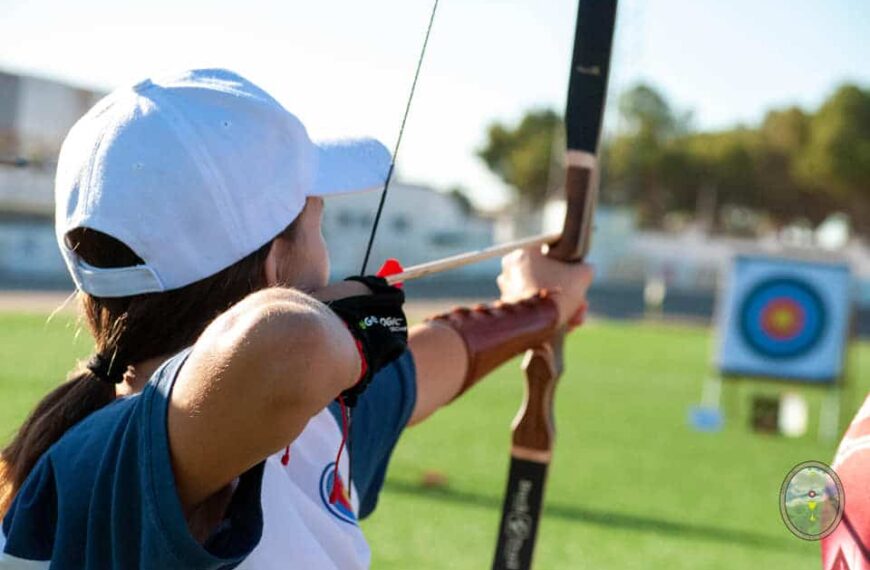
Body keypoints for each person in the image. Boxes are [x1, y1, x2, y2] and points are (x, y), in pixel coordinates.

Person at [0, 68, 592, 569]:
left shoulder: (307, 422)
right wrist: (347, 328)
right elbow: (290, 346)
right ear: (276, 261)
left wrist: (538, 306)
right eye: (316, 224)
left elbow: (434, 359)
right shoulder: (106, 461)